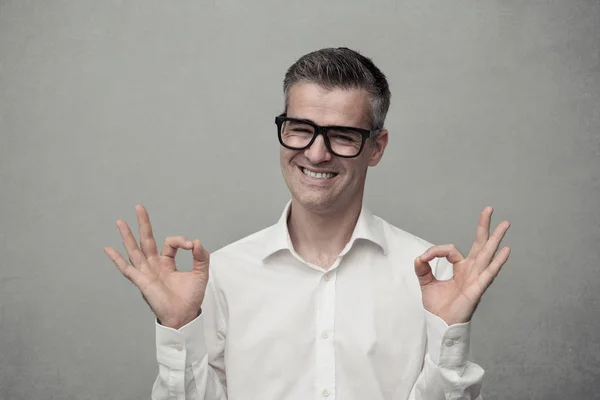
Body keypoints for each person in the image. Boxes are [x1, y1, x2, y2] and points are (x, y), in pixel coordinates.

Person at [104, 47, 511, 399]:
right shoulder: (221, 275)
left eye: (343, 135)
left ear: (376, 148)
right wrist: (178, 328)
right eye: (300, 130)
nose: (316, 154)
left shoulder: (431, 274)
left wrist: (449, 339)